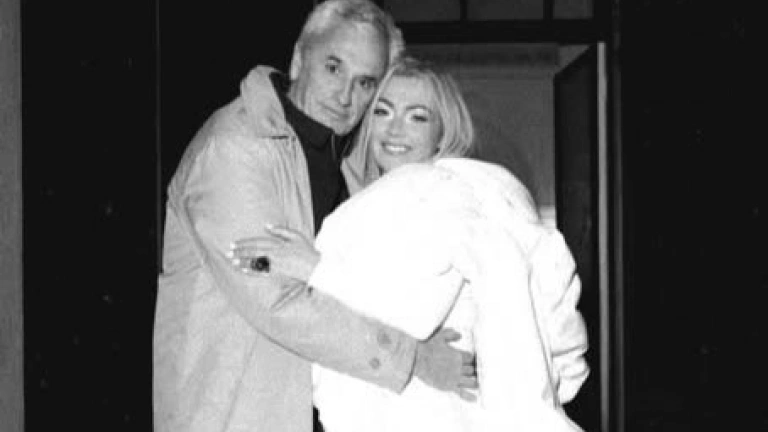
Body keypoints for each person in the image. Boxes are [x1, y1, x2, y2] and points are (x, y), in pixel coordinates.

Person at [153, 3, 477, 432]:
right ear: (298, 59)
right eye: (333, 68)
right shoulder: (235, 148)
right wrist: (413, 357)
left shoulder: (349, 163)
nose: (345, 96)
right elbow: (276, 297)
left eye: (365, 82)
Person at [229, 57, 589, 431]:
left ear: (443, 132)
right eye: (383, 112)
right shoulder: (451, 193)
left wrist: (314, 268)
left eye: (417, 117)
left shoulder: (429, 191)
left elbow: (412, 309)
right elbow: (562, 339)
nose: (395, 129)